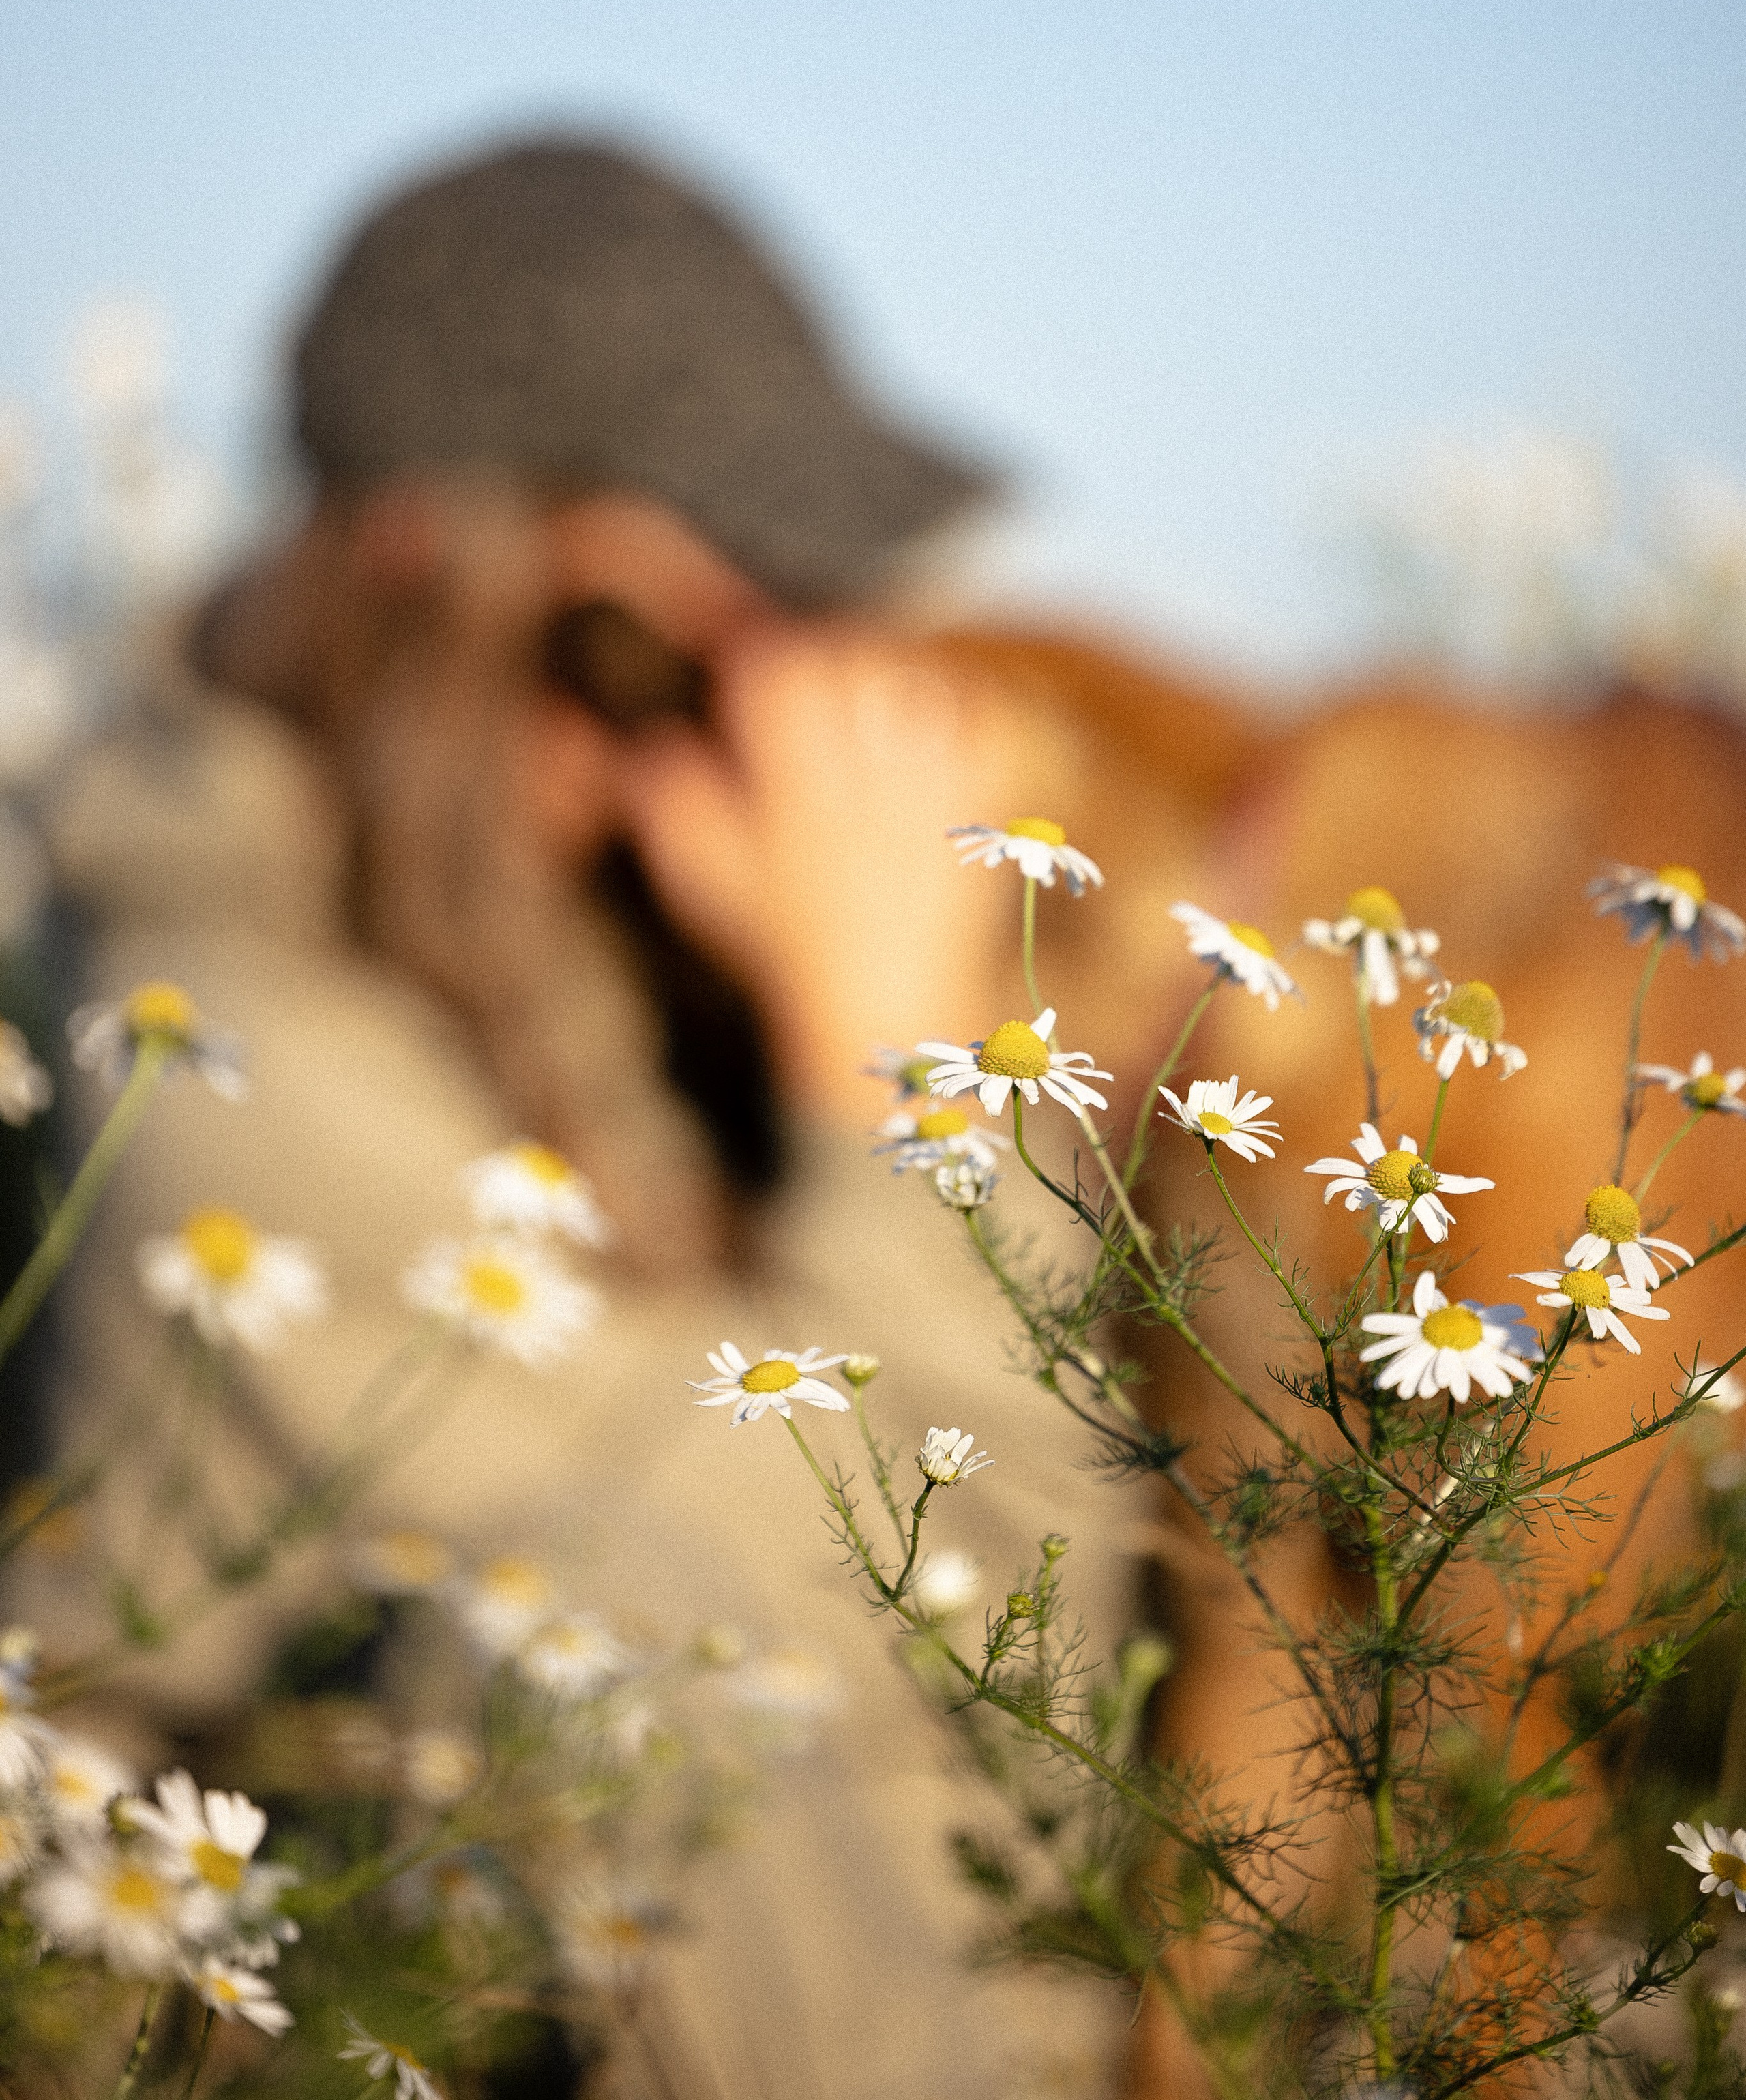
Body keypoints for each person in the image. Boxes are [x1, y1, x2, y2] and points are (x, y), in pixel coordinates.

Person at [17, 137, 1265, 2100]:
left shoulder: (561, 947)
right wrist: (895, 1063)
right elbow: (904, 1585)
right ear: (432, 577)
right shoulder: (213, 1073)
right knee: (632, 1631)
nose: (733, 742)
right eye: (665, 658)